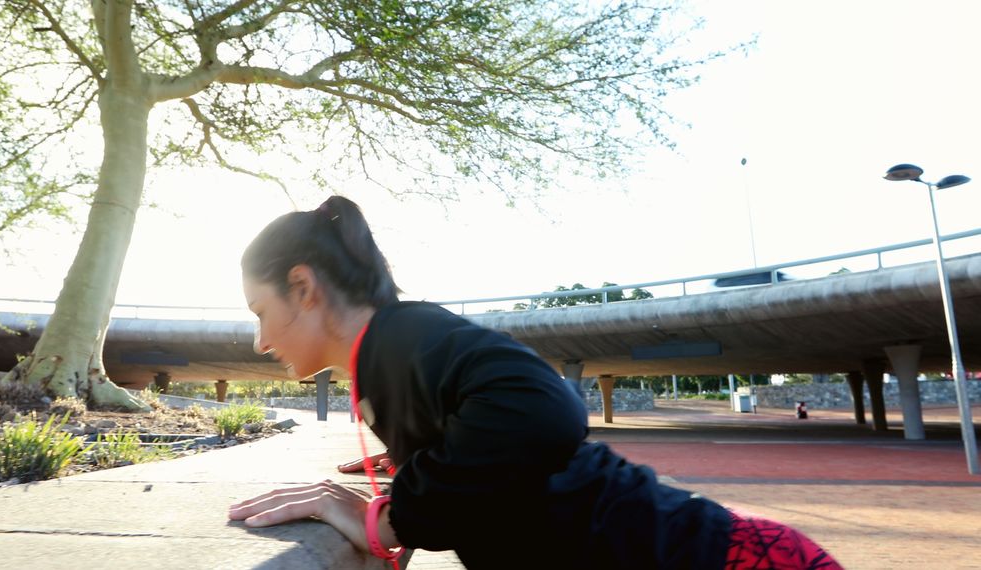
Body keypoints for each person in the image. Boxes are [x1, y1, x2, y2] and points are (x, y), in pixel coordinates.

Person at [228, 196, 842, 569]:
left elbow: (544, 407)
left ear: (303, 288)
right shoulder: (389, 354)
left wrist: (394, 518)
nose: (260, 342)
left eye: (260, 312)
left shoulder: (405, 335)